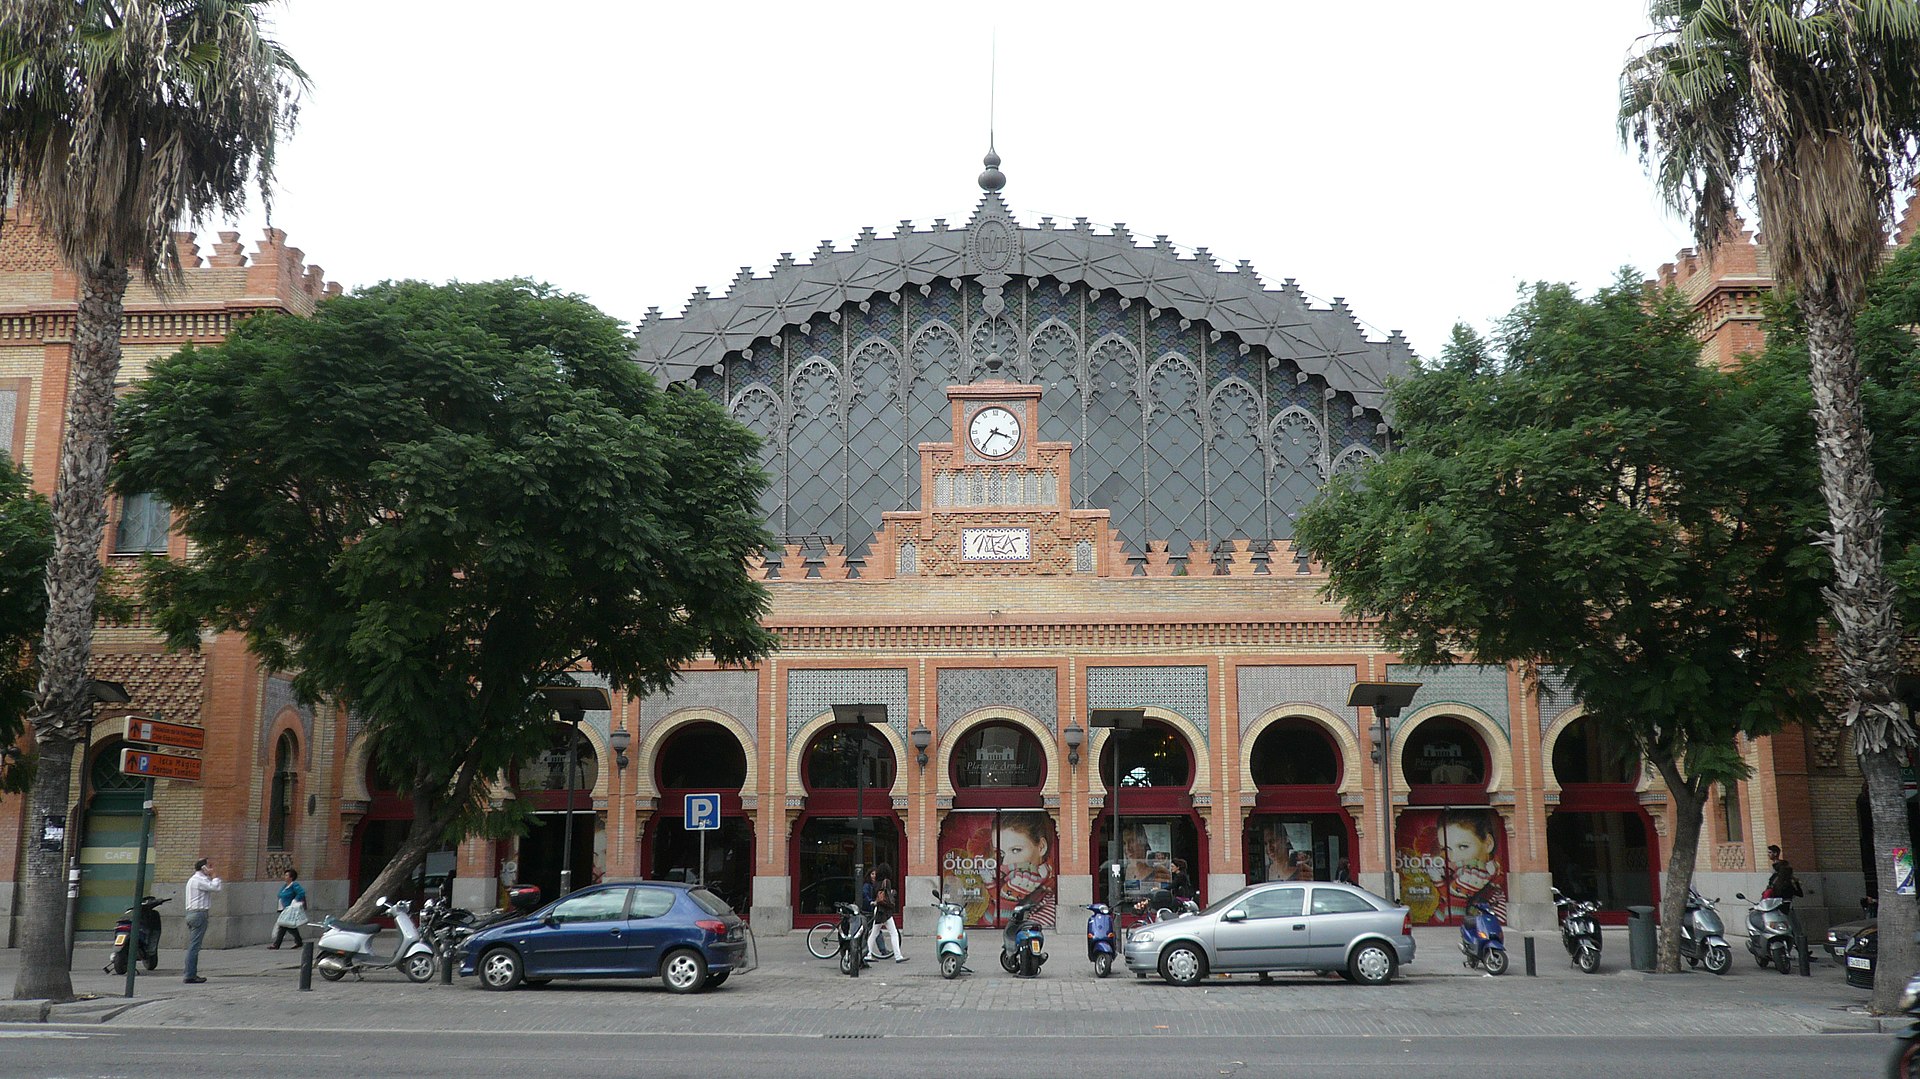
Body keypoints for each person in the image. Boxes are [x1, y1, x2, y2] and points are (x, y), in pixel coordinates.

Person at [1439, 815, 1506, 922]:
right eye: (1445, 849)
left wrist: (1458, 898)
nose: (1453, 858)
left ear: (1488, 844)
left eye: (1463, 846)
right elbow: (1441, 925)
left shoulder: (1498, 894)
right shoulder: (1449, 884)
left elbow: (1458, 927)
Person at [998, 813, 1056, 926]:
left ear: (1041, 847)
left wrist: (1009, 899)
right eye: (1001, 853)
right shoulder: (1000, 885)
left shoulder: (1051, 895)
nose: (1005, 862)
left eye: (1016, 850)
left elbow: (1012, 929)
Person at [183, 857, 222, 983]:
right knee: (194, 946)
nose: (212, 868)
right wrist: (214, 876)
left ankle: (189, 973)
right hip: (199, 914)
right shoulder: (198, 880)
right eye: (209, 866)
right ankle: (190, 975)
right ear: (203, 868)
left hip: (191, 913)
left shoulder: (193, 879)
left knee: (193, 945)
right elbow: (216, 887)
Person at [866, 862, 907, 963]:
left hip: (878, 910)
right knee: (893, 933)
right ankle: (898, 956)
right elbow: (888, 896)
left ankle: (868, 954)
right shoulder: (886, 882)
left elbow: (876, 895)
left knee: (874, 933)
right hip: (885, 910)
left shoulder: (876, 883)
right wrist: (892, 893)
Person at [269, 868, 307, 950]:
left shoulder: (294, 885)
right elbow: (281, 895)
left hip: (289, 909)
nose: (285, 877)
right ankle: (299, 941)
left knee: (283, 925)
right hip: (283, 908)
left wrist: (295, 900)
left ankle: (276, 944)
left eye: (287, 875)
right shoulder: (285, 886)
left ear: (291, 877)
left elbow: (301, 893)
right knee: (289, 926)